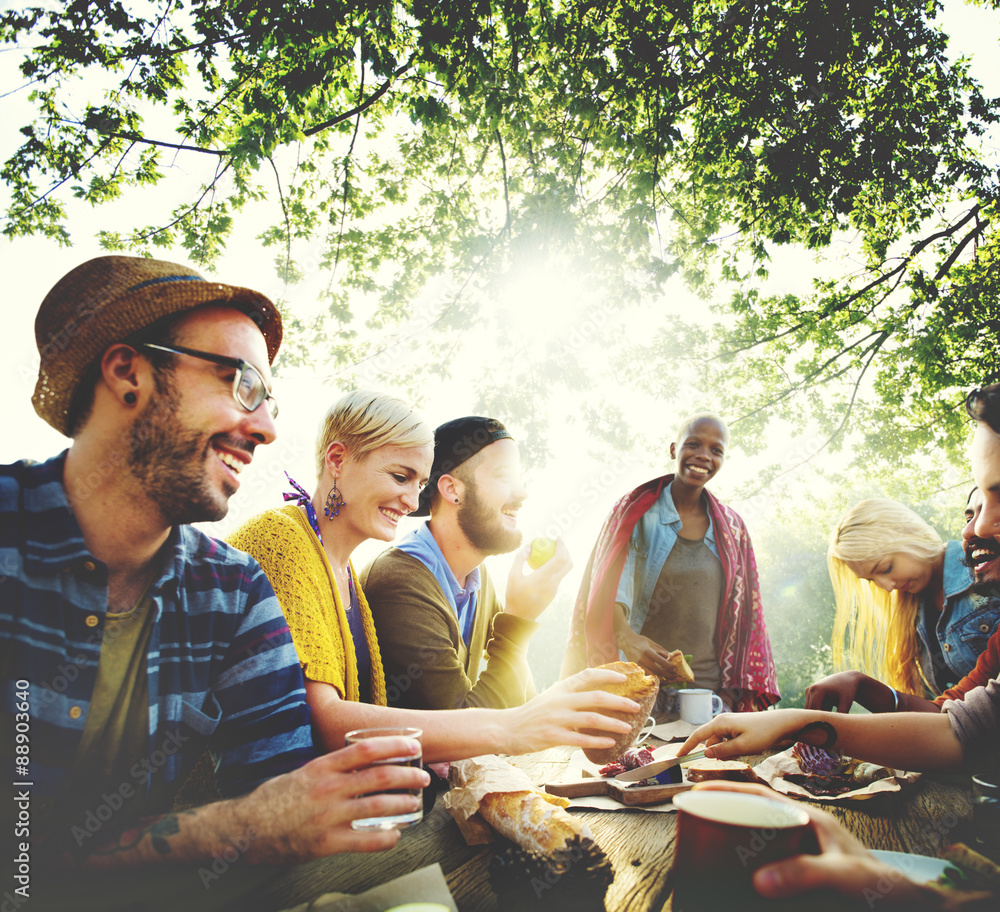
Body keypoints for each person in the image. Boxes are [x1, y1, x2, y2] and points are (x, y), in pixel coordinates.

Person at [0, 257, 429, 905]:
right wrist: (230, 829)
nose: (266, 429)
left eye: (268, 400)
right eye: (240, 383)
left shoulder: (232, 592)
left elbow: (280, 803)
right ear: (128, 373)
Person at [675, 386, 1000, 908]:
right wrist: (861, 690)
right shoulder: (919, 615)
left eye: (886, 569)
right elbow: (963, 717)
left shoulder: (982, 574)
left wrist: (801, 723)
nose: (979, 527)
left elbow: (963, 729)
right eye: (974, 507)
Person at [227, 392, 641, 758]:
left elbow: (507, 705)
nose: (410, 500)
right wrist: (519, 631)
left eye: (419, 482)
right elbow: (330, 726)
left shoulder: (344, 569)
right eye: (400, 476)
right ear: (337, 460)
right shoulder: (284, 540)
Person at [561, 412, 779, 712]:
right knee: (639, 760)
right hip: (637, 689)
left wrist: (729, 698)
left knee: (706, 760)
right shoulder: (634, 513)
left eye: (716, 451)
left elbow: (744, 618)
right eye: (693, 444)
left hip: (706, 696)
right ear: (674, 449)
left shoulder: (733, 529)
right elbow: (607, 585)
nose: (703, 456)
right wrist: (627, 637)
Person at [360, 416, 572, 710]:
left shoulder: (476, 575)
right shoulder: (398, 583)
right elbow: (461, 728)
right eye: (503, 476)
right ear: (452, 489)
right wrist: (518, 620)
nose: (522, 493)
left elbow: (522, 702)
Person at [808, 494, 1000, 713]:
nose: (887, 586)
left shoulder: (987, 570)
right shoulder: (910, 616)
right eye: (872, 580)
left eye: (886, 568)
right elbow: (945, 708)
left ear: (909, 534)